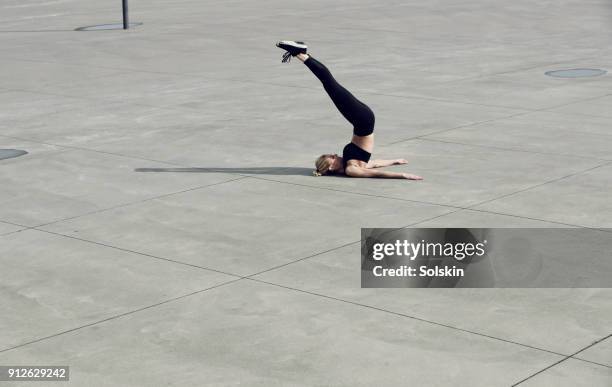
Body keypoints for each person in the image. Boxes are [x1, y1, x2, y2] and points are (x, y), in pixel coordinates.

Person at [277, 41, 422, 180]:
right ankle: (300, 53)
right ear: (332, 167)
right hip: (363, 121)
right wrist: (403, 175)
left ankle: (300, 53)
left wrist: (395, 161)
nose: (334, 154)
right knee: (330, 85)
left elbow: (374, 163)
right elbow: (376, 173)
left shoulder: (350, 163)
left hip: (362, 121)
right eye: (332, 157)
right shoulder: (351, 169)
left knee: (331, 86)